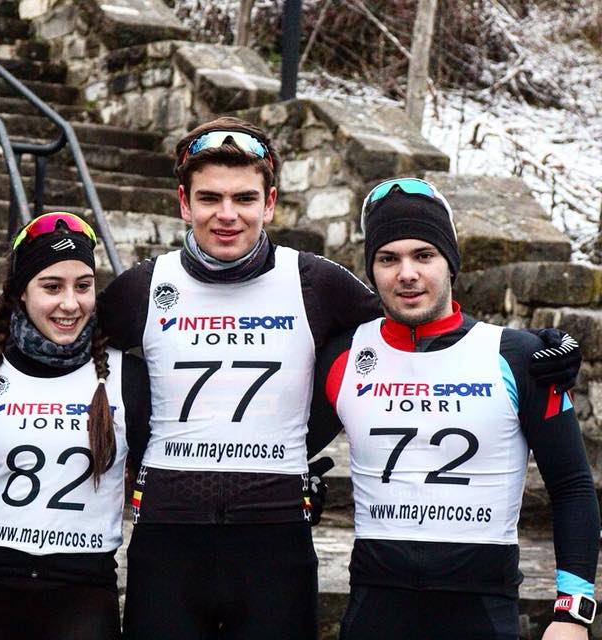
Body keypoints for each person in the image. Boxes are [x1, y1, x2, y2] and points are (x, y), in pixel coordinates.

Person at [97, 117, 584, 639]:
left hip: (275, 541)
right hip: (169, 537)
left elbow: (420, 324)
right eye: (210, 198)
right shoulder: (143, 286)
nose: (227, 214)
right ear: (183, 202)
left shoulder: (316, 280)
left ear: (270, 202)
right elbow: (70, 336)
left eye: (244, 198)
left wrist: (540, 345)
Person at [309, 177, 599, 639]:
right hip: (375, 606)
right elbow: (281, 444)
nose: (406, 273)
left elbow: (572, 487)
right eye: (388, 259)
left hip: (479, 609)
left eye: (424, 255)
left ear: (451, 263)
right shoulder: (343, 356)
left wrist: (572, 612)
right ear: (372, 271)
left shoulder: (520, 357)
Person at [0, 212, 149, 640]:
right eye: (52, 287)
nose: (70, 304)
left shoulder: (127, 377)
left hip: (82, 596)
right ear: (21, 292)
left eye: (83, 286)